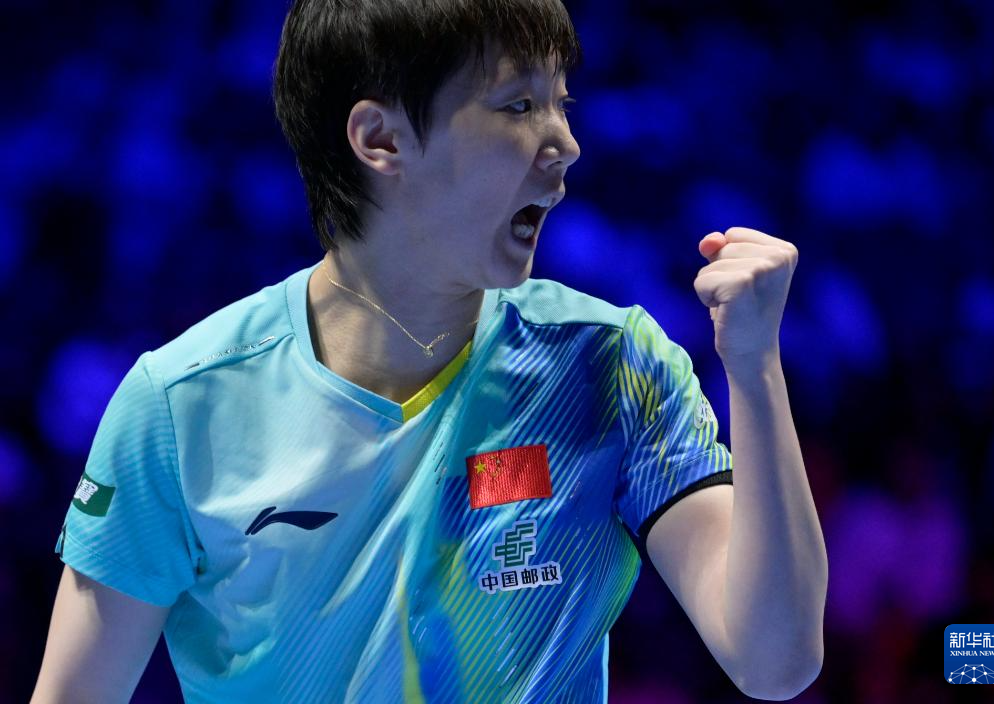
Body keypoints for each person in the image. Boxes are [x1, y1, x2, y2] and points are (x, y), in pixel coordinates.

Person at [33, 1, 826, 702]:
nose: (566, 143)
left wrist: (755, 367)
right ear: (381, 139)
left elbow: (775, 662)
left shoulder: (610, 366)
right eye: (520, 105)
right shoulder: (181, 404)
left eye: (562, 103)